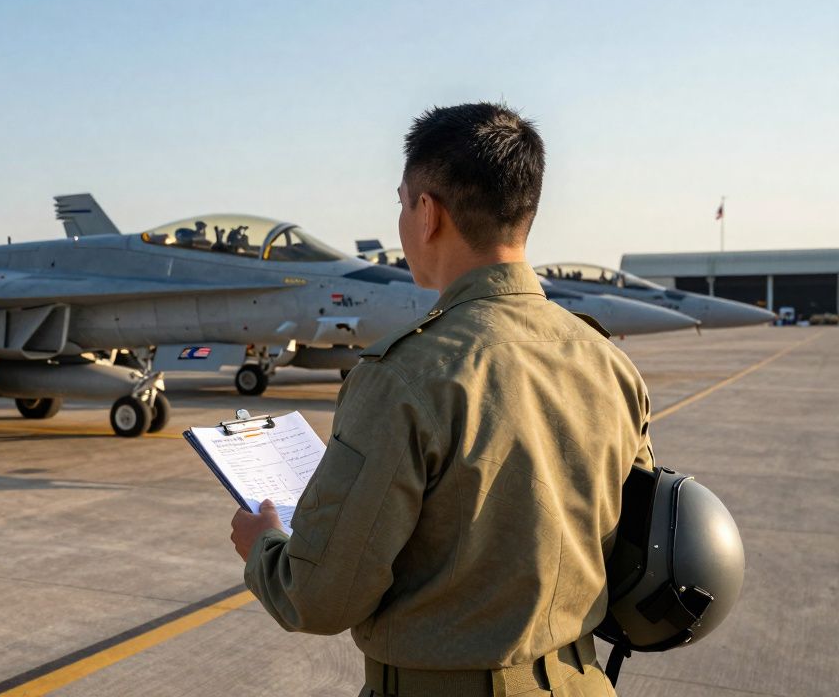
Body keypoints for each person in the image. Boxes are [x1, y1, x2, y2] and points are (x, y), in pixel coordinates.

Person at [229, 103, 653, 696]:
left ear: (427, 213)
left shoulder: (404, 375)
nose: (403, 221)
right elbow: (642, 545)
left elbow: (319, 600)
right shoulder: (608, 362)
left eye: (402, 202)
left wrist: (263, 546)